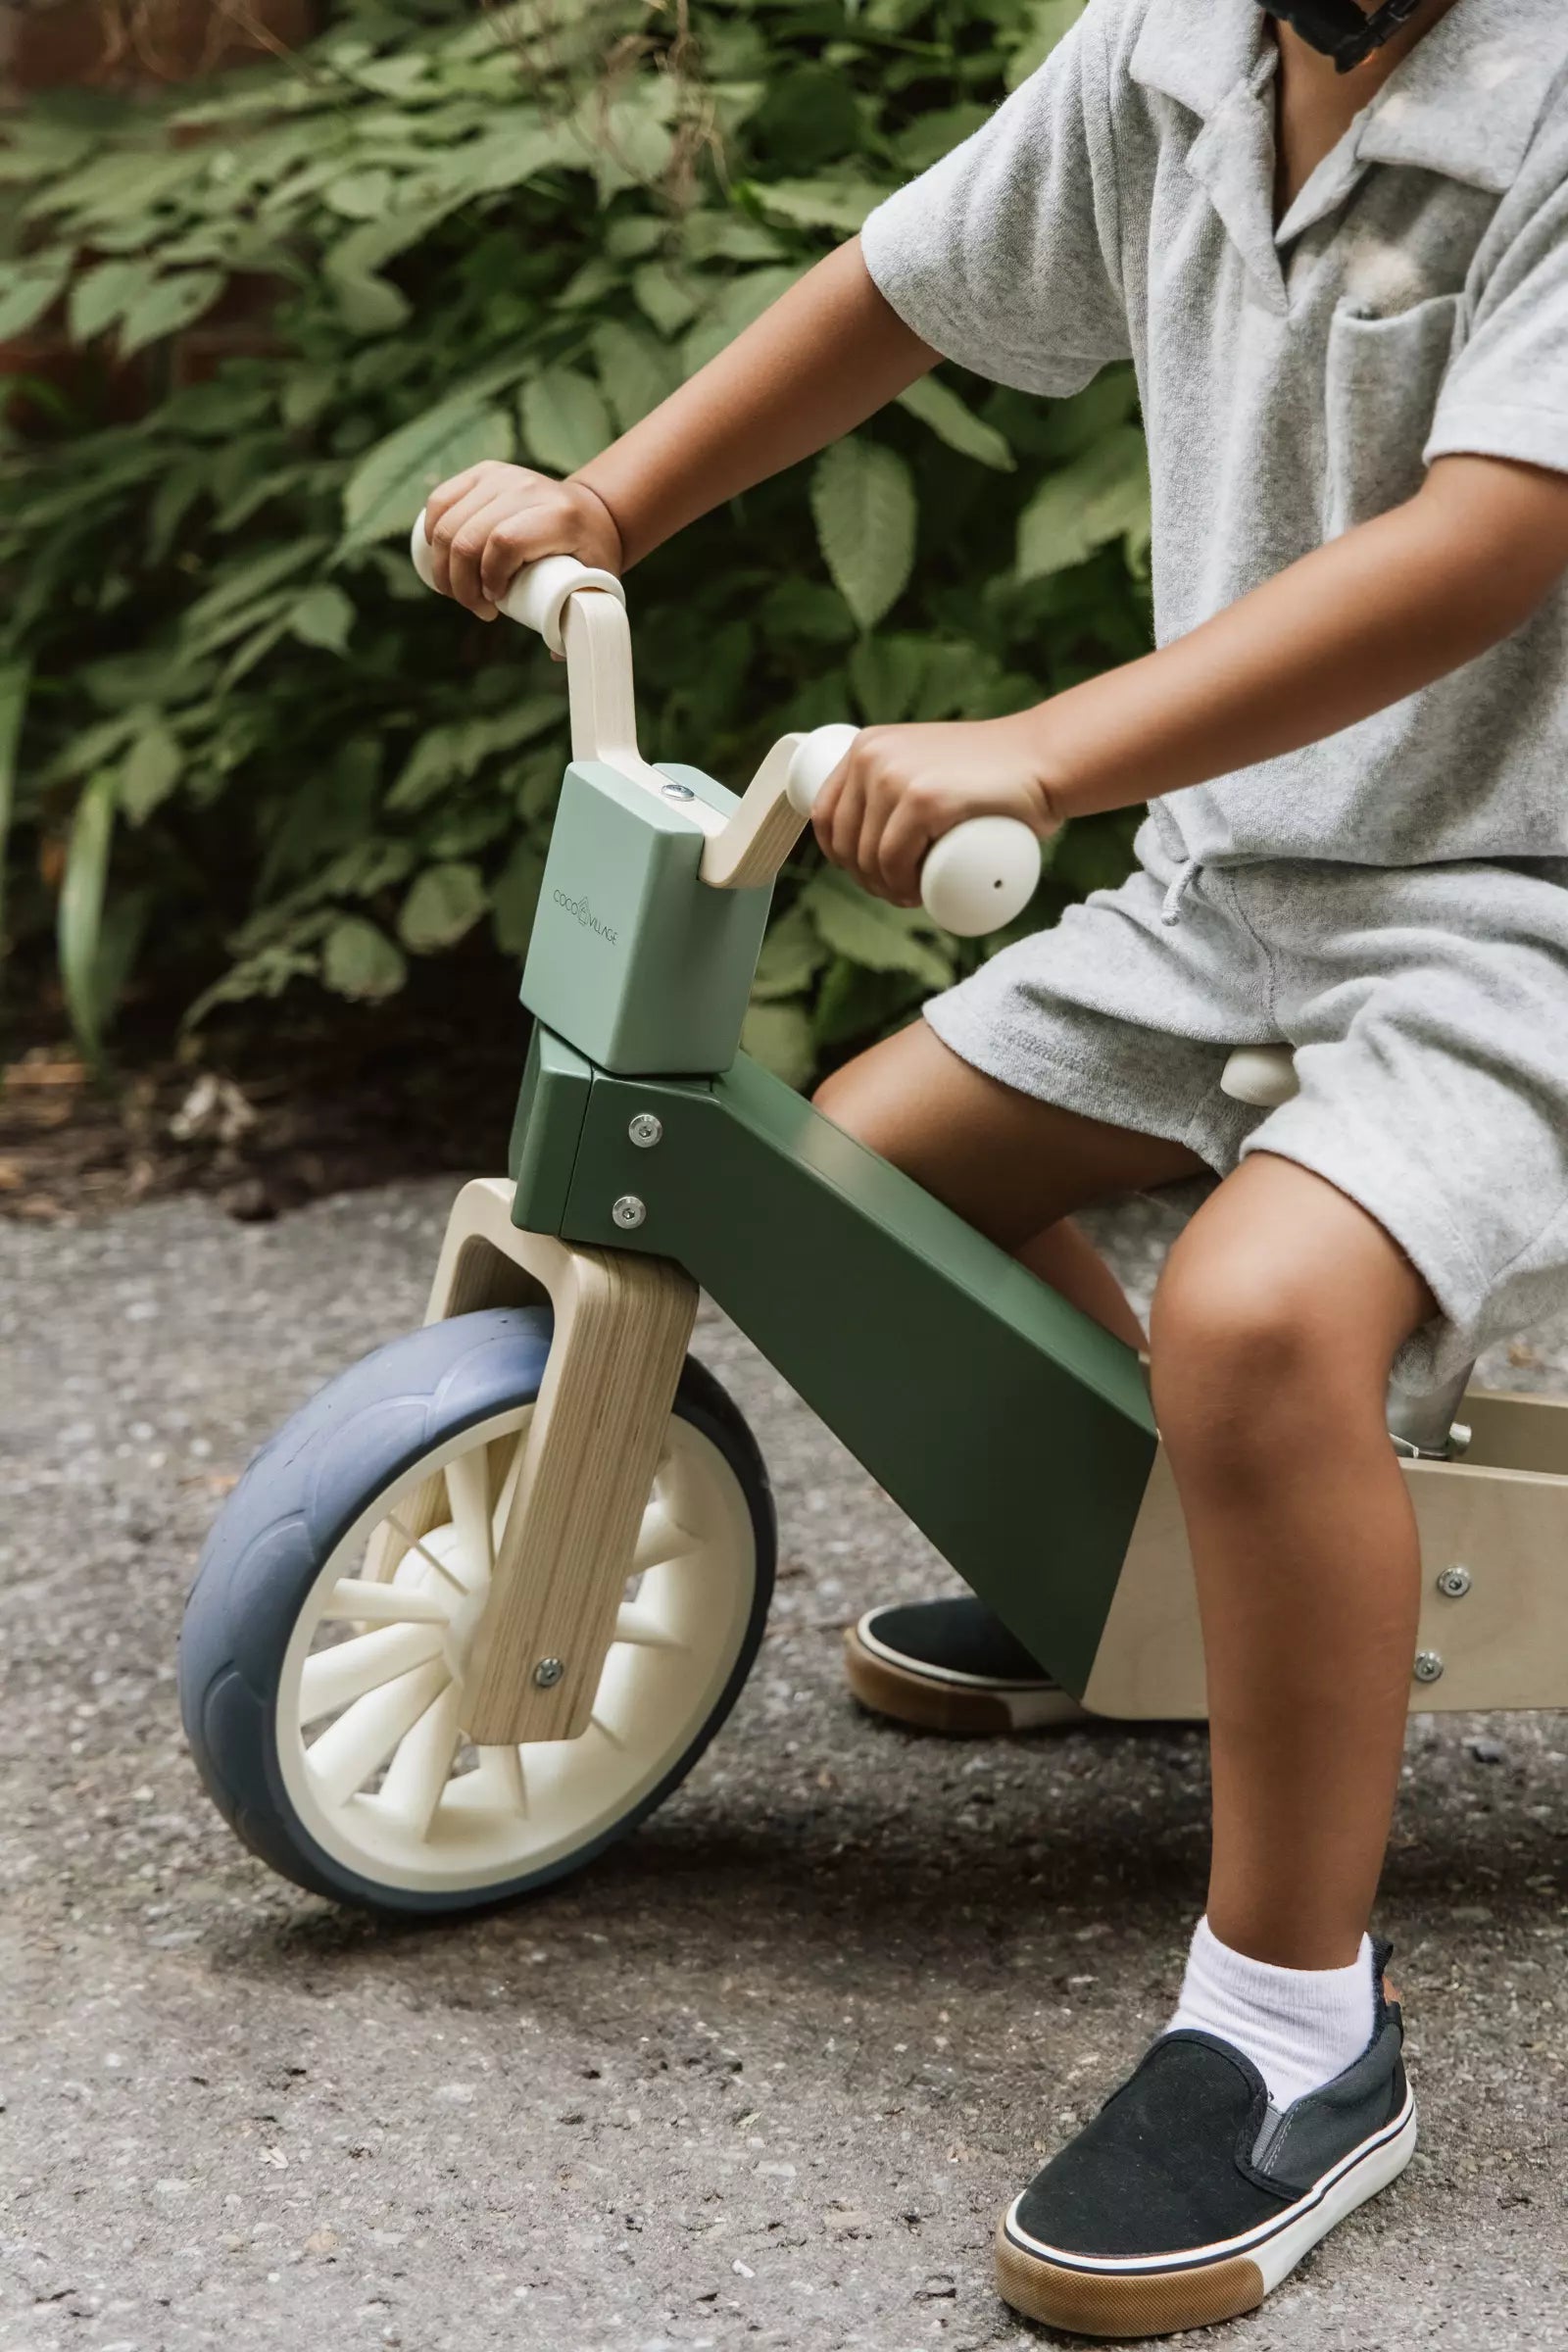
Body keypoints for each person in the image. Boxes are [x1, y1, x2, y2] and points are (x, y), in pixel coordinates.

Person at [421, 0, 1568, 2329]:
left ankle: (1288, 2031)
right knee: (854, 1184)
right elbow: (901, 284)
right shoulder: (1172, 51)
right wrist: (611, 501)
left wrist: (1039, 750)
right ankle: (1166, 1581)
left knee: (1258, 1319)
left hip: (1516, 902)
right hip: (1233, 878)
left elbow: (1480, 544)